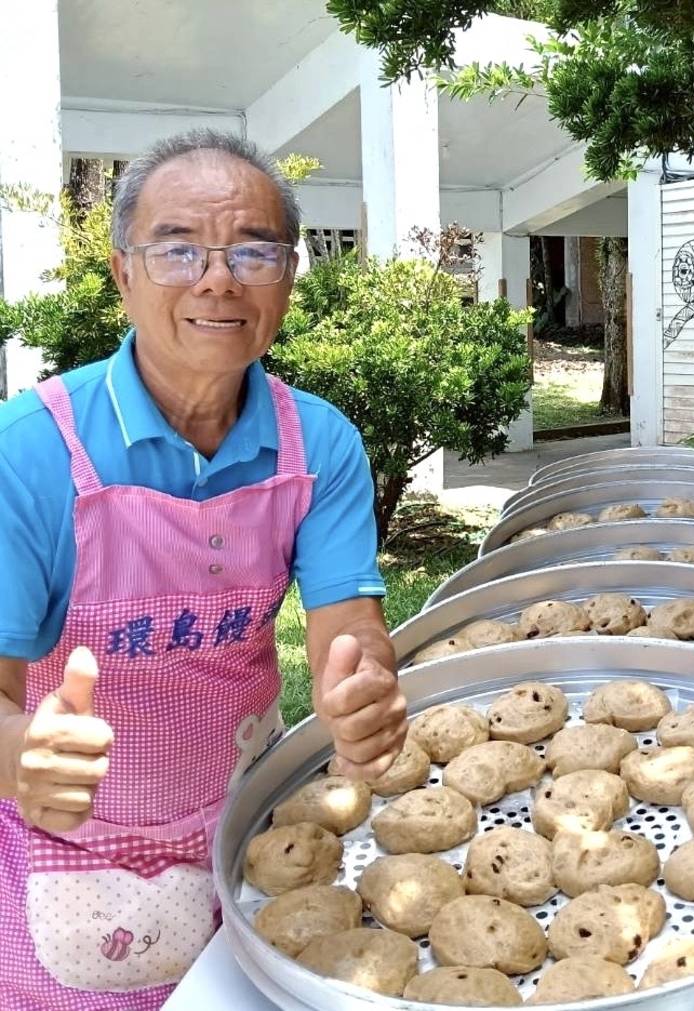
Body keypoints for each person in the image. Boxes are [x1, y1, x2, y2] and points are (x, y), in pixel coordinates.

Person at [0, 130, 407, 1009]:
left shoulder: (317, 444)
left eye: (253, 250)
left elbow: (348, 627)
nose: (218, 278)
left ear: (289, 275)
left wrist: (362, 683)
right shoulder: (32, 453)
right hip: (63, 845)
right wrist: (21, 751)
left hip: (244, 830)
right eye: (179, 248)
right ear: (122, 271)